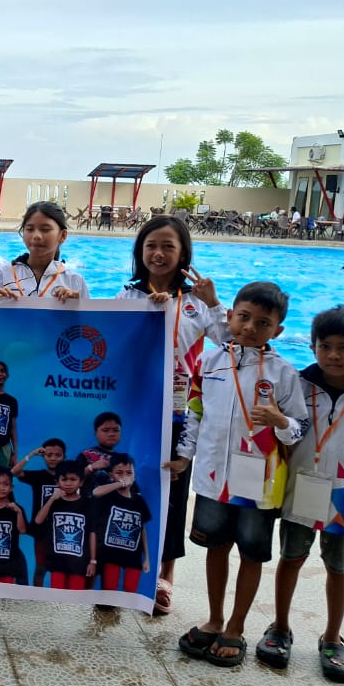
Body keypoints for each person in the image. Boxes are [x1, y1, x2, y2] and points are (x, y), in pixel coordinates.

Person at [170, 281, 308, 668]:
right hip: (214, 478)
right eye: (243, 317)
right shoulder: (209, 361)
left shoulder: (284, 373)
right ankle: (215, 618)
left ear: (277, 330)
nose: (250, 327)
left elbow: (300, 428)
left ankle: (236, 625)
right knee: (216, 547)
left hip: (259, 484)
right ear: (229, 317)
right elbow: (195, 413)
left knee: (251, 554)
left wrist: (280, 421)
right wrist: (184, 456)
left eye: (263, 323)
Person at [256, 306, 344, 682]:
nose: (333, 355)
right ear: (313, 347)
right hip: (299, 489)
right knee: (291, 558)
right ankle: (279, 627)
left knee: (339, 567)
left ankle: (333, 638)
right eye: (325, 346)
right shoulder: (297, 385)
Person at [117, 214, 226, 615]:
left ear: (183, 254)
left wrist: (214, 302)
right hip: (137, 408)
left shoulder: (196, 302)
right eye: (151, 246)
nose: (158, 254)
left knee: (174, 493)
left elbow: (231, 342)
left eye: (168, 247)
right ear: (140, 252)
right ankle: (123, 567)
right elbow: (112, 343)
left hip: (181, 414)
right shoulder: (128, 297)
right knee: (129, 486)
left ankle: (166, 574)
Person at [0, 201, 88, 301]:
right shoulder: (2, 274)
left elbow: (88, 311)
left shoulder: (74, 281)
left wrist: (76, 305)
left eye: (45, 229)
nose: (36, 236)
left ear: (63, 235)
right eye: (30, 229)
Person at [88, 453, 152, 594]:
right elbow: (96, 492)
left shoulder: (139, 501)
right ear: (111, 475)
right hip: (110, 556)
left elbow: (142, 529)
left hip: (133, 557)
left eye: (129, 473)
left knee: (130, 591)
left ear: (135, 475)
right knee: (109, 591)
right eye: (119, 473)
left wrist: (147, 558)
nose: (125, 476)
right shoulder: (108, 496)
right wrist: (119, 483)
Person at [12, 438, 66, 586]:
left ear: (64, 457)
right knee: (41, 568)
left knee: (60, 569)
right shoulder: (38, 476)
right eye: (49, 455)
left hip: (62, 532)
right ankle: (36, 596)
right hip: (41, 531)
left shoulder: (68, 478)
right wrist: (32, 454)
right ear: (43, 456)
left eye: (58, 455)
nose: (53, 458)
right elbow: (14, 472)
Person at [32, 459, 92, 590]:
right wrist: (52, 498)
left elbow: (92, 533)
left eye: (73, 479)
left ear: (81, 482)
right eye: (64, 479)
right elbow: (38, 520)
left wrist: (92, 560)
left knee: (75, 598)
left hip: (79, 562)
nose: (68, 483)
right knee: (57, 597)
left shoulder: (88, 504)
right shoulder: (53, 501)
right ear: (57, 482)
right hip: (57, 561)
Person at [78, 411, 124, 493]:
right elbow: (72, 481)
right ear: (96, 433)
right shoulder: (86, 455)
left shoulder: (123, 459)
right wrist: (90, 468)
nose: (111, 434)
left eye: (116, 430)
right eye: (105, 430)